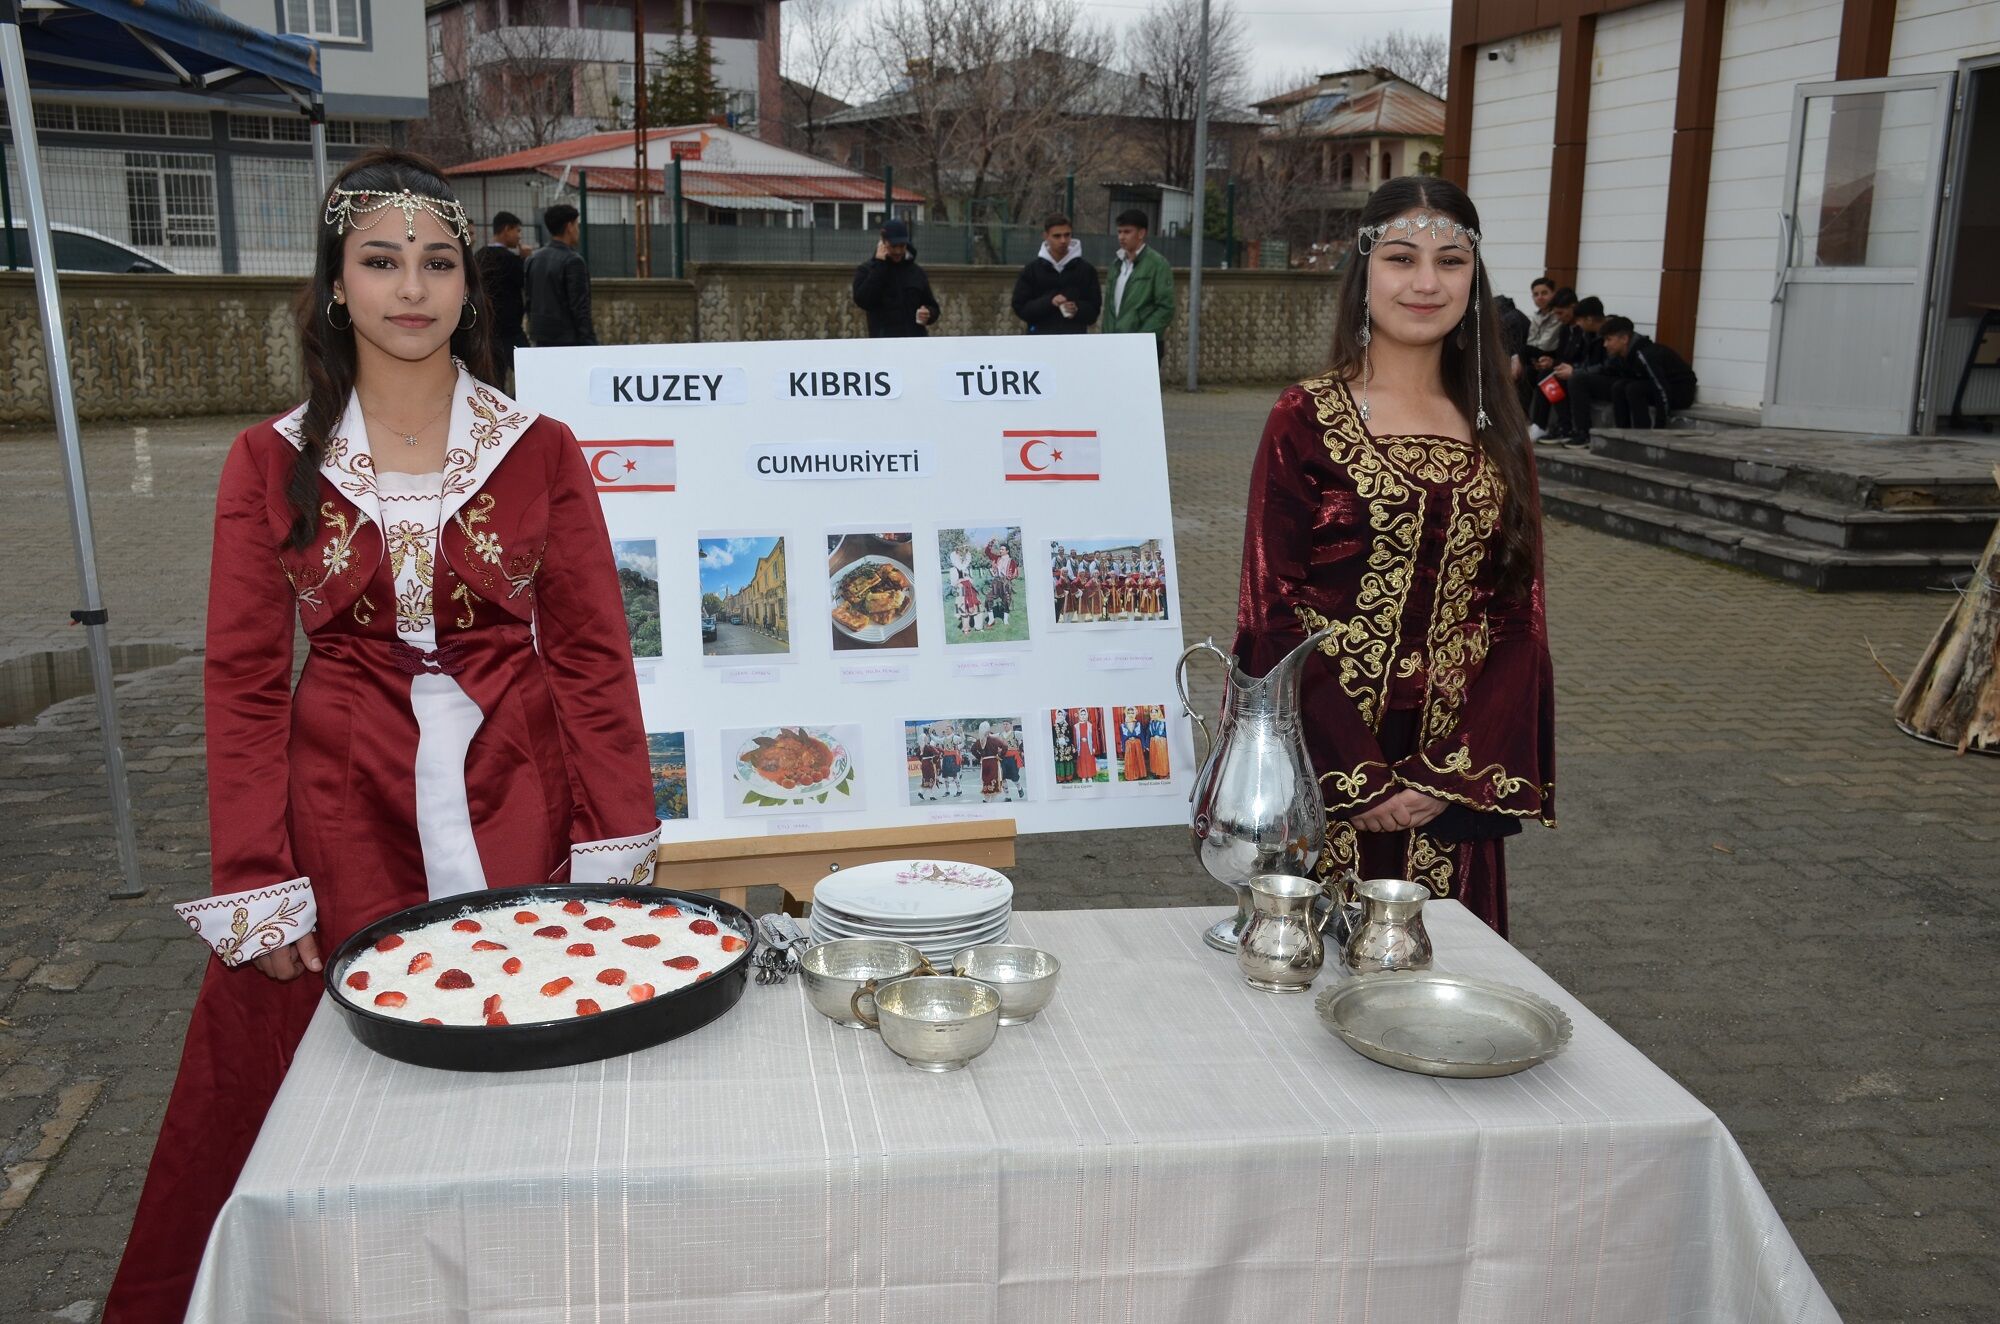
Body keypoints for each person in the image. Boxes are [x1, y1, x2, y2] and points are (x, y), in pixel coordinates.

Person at [104, 150, 660, 1322]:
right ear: (337, 283)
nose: (412, 288)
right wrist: (260, 874)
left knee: (530, 1062)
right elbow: (246, 679)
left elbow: (593, 656)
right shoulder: (268, 458)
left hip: (520, 788)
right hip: (338, 803)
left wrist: (613, 829)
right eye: (381, 261)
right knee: (316, 1088)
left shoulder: (540, 447)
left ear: (471, 287)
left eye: (438, 262)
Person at [1233, 175, 1557, 936]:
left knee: (1441, 994)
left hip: (1449, 780)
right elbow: (1268, 609)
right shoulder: (1305, 416)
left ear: (1474, 280)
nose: (1424, 282)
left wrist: (1449, 772)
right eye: (1401, 258)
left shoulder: (1498, 430)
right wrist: (1364, 776)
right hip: (1327, 766)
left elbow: (1518, 616)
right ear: (1364, 271)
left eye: (1450, 262)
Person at [1563, 315, 1698, 447]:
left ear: (1624, 339)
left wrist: (1659, 428)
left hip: (1681, 392)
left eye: (1609, 340)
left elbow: (1661, 388)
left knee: (1633, 388)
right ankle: (1623, 433)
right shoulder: (1621, 356)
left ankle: (1642, 435)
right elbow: (1604, 370)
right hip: (1657, 388)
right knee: (1619, 386)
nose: (1605, 345)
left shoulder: (1646, 354)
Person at [1103, 208, 1174, 359]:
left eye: (1127, 232)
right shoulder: (1116, 265)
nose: (1122, 237)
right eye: (1119, 232)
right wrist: (1106, 339)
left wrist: (1143, 338)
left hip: (1142, 346)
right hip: (1115, 343)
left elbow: (1165, 308)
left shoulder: (1157, 264)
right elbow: (1110, 308)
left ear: (1141, 233)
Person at [1012, 213, 1100, 334]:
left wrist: (1077, 309)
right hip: (1040, 341)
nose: (1063, 240)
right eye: (1057, 236)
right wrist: (1049, 302)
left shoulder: (1086, 270)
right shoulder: (1031, 270)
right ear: (1046, 236)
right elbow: (1020, 308)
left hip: (1074, 342)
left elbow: (1094, 312)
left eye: (1067, 235)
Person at [852, 217, 940, 337]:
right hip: (884, 345)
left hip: (915, 343)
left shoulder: (916, 272)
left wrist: (929, 314)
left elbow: (932, 305)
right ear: (883, 242)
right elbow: (863, 300)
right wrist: (879, 267)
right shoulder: (867, 270)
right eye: (893, 246)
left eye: (902, 246)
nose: (898, 251)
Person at [525, 201, 595, 346]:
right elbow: (580, 308)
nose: (578, 230)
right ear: (569, 227)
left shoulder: (533, 259)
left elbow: (529, 299)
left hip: (540, 337)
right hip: (567, 339)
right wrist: (590, 343)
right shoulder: (573, 261)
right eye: (577, 225)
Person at [473, 210, 528, 385]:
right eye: (517, 231)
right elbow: (524, 281)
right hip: (510, 328)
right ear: (506, 230)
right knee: (530, 374)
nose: (519, 236)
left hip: (486, 326)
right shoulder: (510, 260)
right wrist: (524, 260)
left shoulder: (480, 255)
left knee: (494, 379)